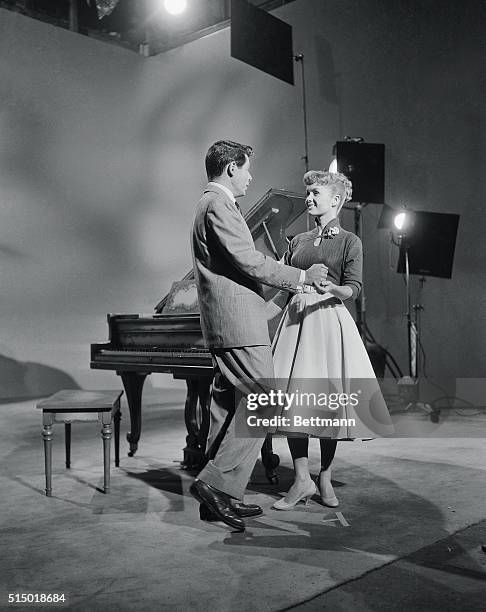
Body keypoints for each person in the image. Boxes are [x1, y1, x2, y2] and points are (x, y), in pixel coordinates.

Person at [189, 141, 328, 531]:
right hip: (237, 325)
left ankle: (222, 497)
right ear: (231, 168)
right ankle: (214, 487)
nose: (250, 177)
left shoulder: (207, 204)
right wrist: (300, 277)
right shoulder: (217, 204)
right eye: (247, 169)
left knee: (227, 408)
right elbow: (247, 260)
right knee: (266, 401)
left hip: (225, 324)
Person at [271, 170, 394, 511]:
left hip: (328, 320)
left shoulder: (350, 241)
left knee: (327, 401)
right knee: (294, 399)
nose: (308, 198)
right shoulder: (297, 241)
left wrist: (333, 288)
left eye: (314, 193)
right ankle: (300, 479)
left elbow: (353, 288)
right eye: (307, 192)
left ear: (336, 200)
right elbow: (285, 282)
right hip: (297, 321)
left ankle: (324, 476)